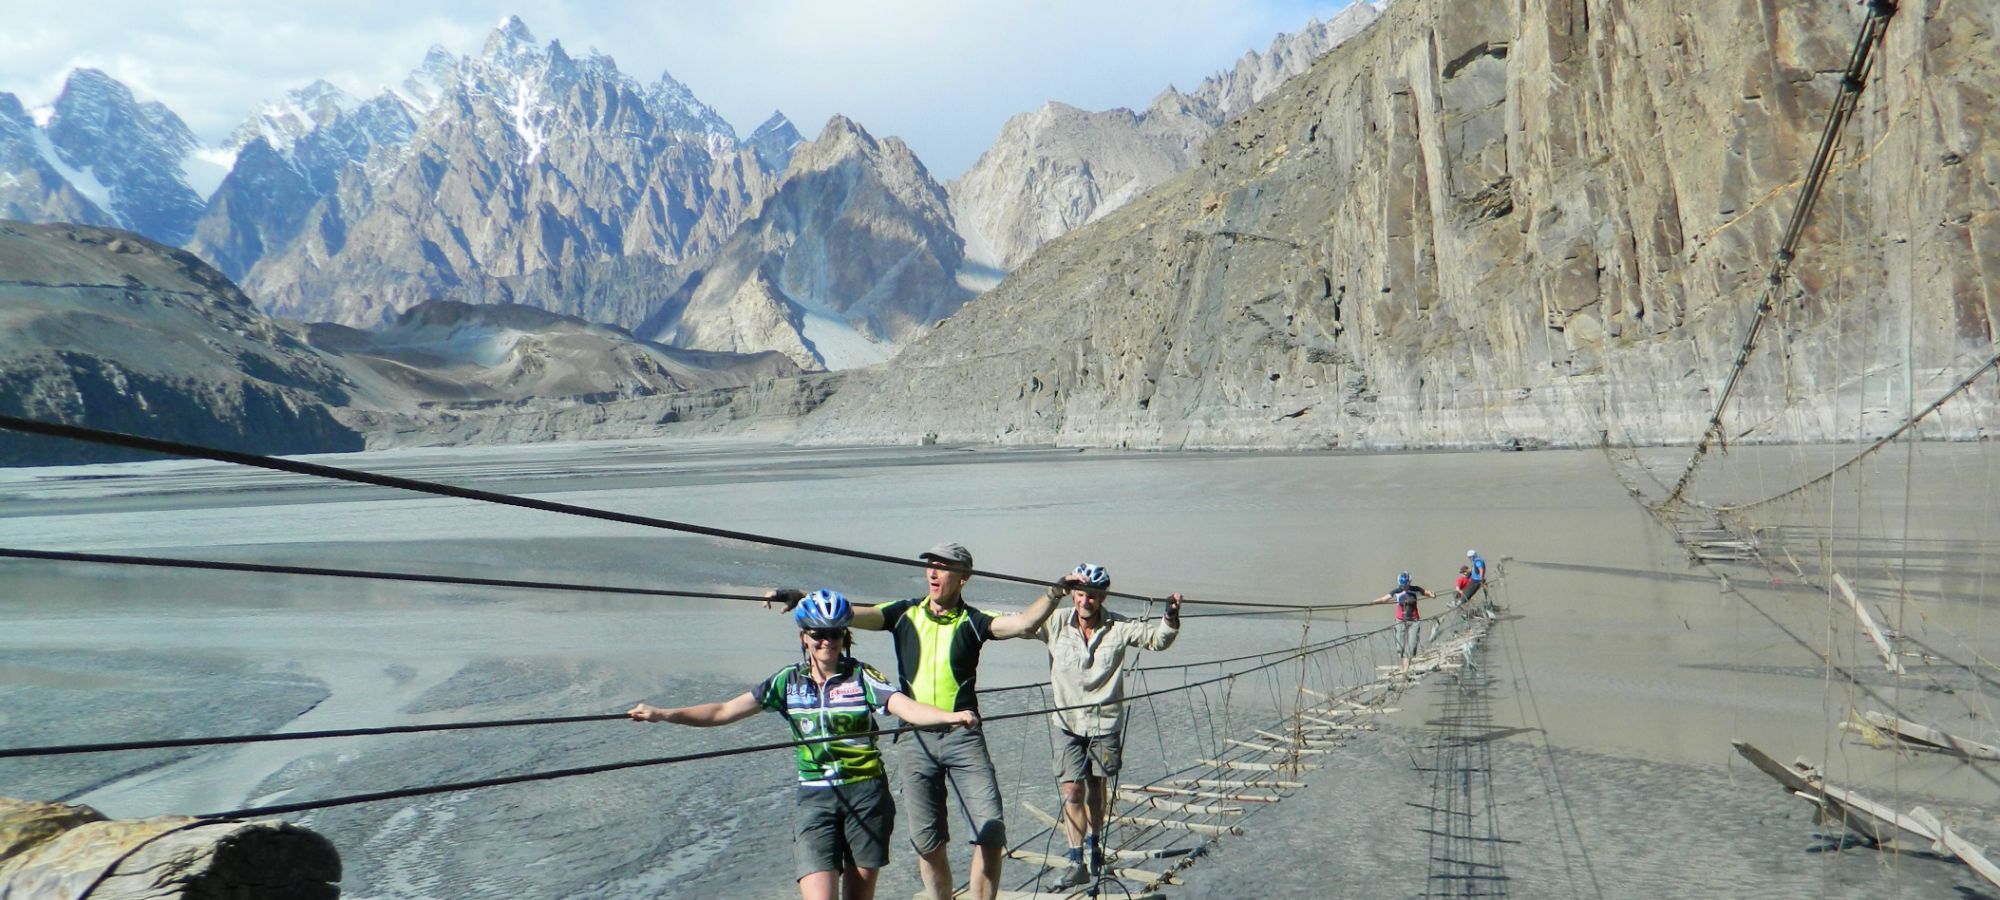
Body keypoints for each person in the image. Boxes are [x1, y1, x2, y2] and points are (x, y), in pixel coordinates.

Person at [629, 590, 976, 900]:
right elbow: (723, 711)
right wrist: (664, 713)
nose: (827, 642)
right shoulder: (787, 682)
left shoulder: (863, 676)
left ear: (845, 635)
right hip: (815, 799)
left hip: (867, 797)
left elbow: (905, 706)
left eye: (835, 633)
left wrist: (950, 717)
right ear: (804, 638)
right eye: (818, 635)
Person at [770, 543, 1065, 900]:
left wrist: (1056, 591)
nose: (933, 573)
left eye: (943, 567)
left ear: (964, 577)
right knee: (928, 843)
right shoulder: (903, 613)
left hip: (963, 735)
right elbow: (844, 615)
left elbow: (1025, 623)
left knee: (991, 833)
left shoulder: (974, 621)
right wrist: (802, 598)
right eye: (930, 566)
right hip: (914, 739)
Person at [1032, 563, 1182, 888]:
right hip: (1066, 723)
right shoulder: (1055, 622)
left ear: (1103, 597)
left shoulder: (1119, 627)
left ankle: (1094, 843)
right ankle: (1075, 861)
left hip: (1104, 724)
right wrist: (1052, 592)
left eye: (1094, 596)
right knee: (1072, 790)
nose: (1086, 602)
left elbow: (1157, 640)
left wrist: (1170, 616)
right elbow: (1019, 625)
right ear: (1073, 594)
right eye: (1081, 594)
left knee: (1096, 788)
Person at [1373, 571, 1434, 671]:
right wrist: (1373, 602)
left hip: (1414, 622)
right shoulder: (1396, 591)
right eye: (1402, 585)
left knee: (1411, 646)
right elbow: (1384, 599)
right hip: (1400, 622)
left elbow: (1425, 592)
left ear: (1409, 582)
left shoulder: (1415, 590)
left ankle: (1405, 670)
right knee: (1400, 648)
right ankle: (1403, 667)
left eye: (1406, 585)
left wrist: (1432, 594)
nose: (1404, 587)